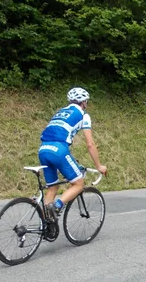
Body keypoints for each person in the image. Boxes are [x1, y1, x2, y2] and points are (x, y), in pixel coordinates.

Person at [38, 87, 107, 220]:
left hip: (43, 149)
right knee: (78, 184)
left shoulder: (60, 112)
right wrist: (99, 166)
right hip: (59, 150)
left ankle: (46, 224)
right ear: (84, 102)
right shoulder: (83, 115)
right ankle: (57, 205)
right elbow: (90, 144)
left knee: (52, 187)